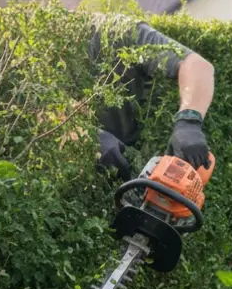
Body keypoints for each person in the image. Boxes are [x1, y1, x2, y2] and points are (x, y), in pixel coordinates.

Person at [86, 15, 215, 181]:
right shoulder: (50, 51)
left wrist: (189, 121)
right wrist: (88, 138)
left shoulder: (114, 32)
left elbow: (196, 65)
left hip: (139, 165)